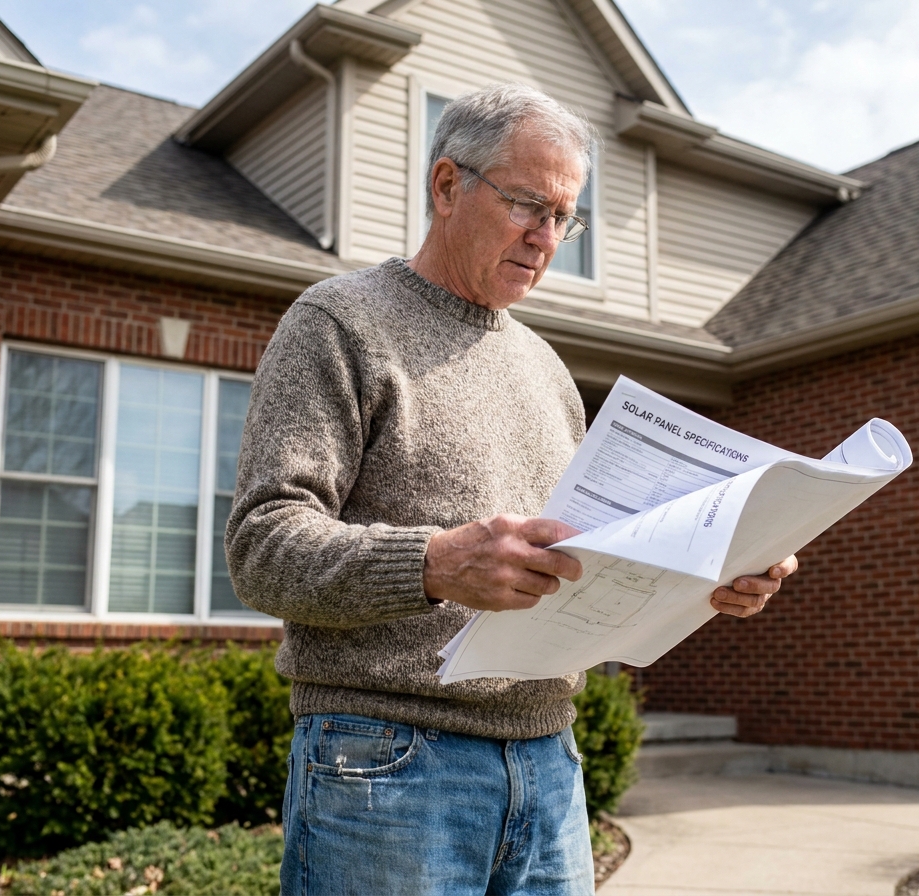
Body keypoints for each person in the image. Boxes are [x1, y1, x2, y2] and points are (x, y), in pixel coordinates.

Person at [226, 82, 797, 896]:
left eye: (566, 217)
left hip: (549, 764)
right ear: (448, 186)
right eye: (530, 204)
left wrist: (708, 578)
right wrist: (431, 564)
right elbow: (263, 546)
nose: (548, 237)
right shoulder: (339, 323)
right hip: (387, 761)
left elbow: (588, 562)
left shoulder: (548, 371)